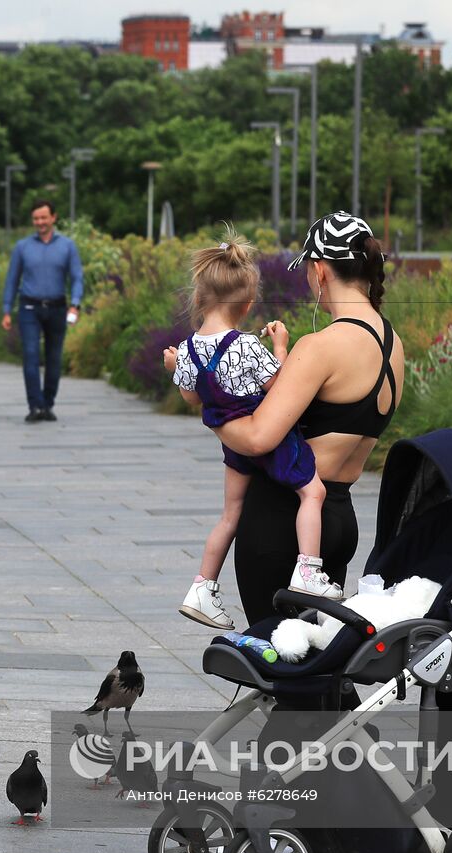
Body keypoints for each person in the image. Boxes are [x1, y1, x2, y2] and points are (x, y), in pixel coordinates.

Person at [211, 211, 404, 626]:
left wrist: (211, 411)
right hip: (335, 522)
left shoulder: (320, 346)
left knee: (280, 657)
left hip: (280, 522)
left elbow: (260, 437)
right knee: (319, 663)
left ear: (320, 270)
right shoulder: (393, 344)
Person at [163, 231, 341, 631]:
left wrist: (174, 369)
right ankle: (309, 571)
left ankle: (203, 588)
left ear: (199, 298)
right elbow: (278, 386)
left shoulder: (188, 348)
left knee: (231, 514)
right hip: (266, 438)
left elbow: (192, 398)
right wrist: (281, 345)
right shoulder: (244, 345)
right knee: (313, 492)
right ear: (246, 304)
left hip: (233, 447)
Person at [3, 200, 84, 423]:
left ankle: (48, 403)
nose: (40, 222)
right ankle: (35, 405)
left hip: (57, 307)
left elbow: (76, 277)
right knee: (30, 355)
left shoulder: (67, 246)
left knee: (54, 358)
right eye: (36, 218)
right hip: (29, 307)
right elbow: (12, 279)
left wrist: (75, 304)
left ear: (53, 218)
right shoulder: (23, 247)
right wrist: (7, 310)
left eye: (43, 217)